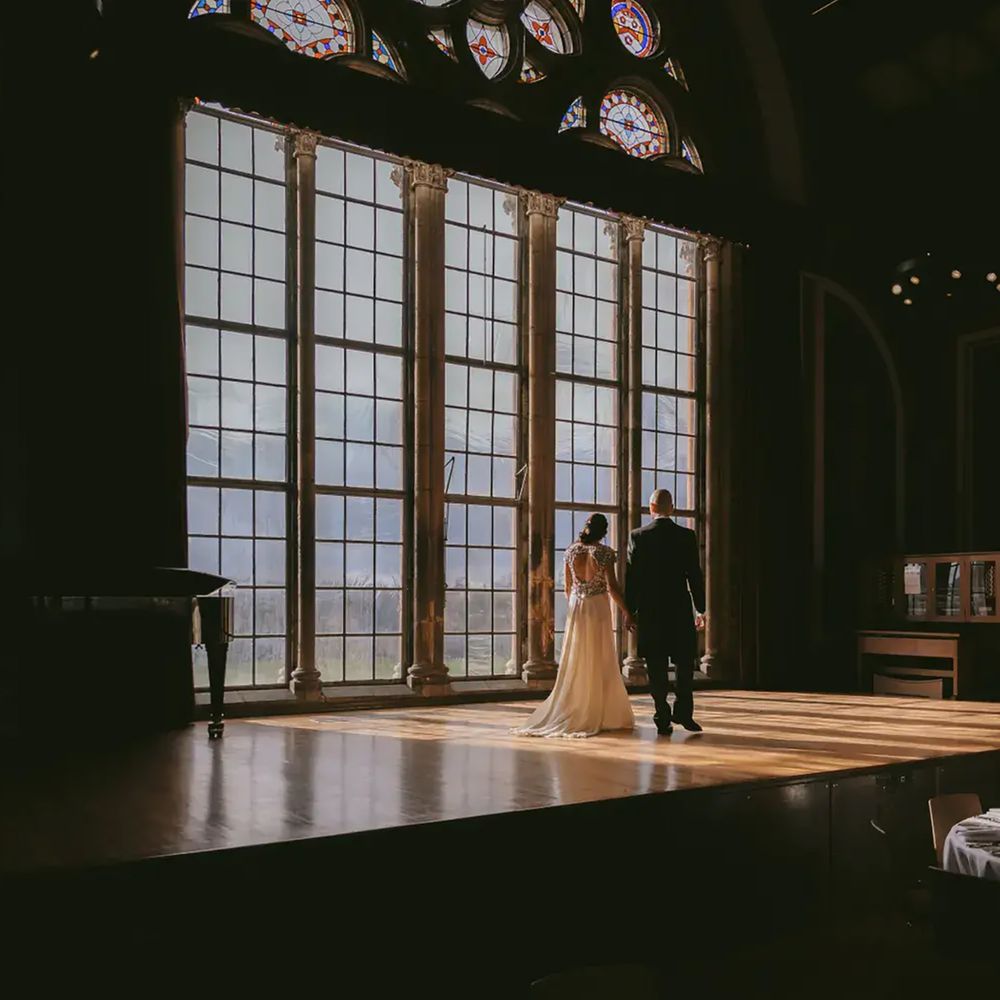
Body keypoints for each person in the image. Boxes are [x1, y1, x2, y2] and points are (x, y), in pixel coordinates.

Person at [512, 513, 635, 738]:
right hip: (598, 607)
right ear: (604, 531)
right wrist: (627, 612)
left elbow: (568, 588)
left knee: (577, 656)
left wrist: (576, 604)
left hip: (577, 607)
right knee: (600, 656)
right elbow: (613, 588)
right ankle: (600, 712)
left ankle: (577, 706)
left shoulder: (570, 552)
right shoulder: (606, 553)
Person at [626, 489, 706, 735]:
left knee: (656, 665)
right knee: (684, 663)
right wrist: (701, 609)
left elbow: (632, 578)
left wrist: (630, 610)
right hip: (679, 607)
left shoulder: (638, 536)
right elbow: (694, 574)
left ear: (651, 508)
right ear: (672, 508)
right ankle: (684, 712)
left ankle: (662, 715)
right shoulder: (686, 536)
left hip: (651, 610)